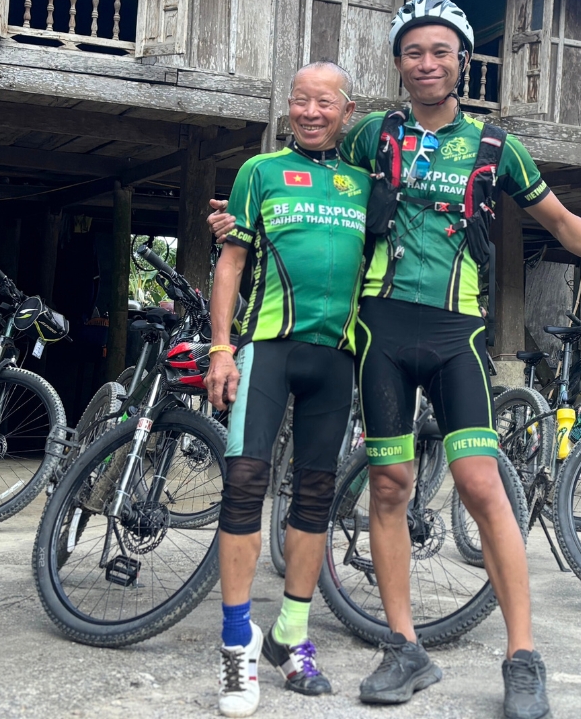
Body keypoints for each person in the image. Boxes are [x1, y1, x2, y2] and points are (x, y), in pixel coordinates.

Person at [212, 0, 581, 719]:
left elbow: (558, 218)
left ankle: (523, 655)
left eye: (441, 51)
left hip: (455, 333)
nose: (427, 63)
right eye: (414, 52)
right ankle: (404, 647)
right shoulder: (371, 134)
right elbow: (312, 158)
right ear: (399, 64)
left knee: (479, 482)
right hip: (378, 333)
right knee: (389, 485)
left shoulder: (496, 146)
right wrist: (235, 221)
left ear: (463, 61)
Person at [204, 61, 369, 718]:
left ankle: (292, 637)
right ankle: (237, 643)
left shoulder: (365, 183)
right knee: (245, 482)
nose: (310, 111)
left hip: (337, 359)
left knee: (316, 495)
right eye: (300, 100)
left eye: (324, 102)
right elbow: (232, 261)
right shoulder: (260, 172)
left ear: (346, 112)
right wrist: (222, 348)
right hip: (269, 349)